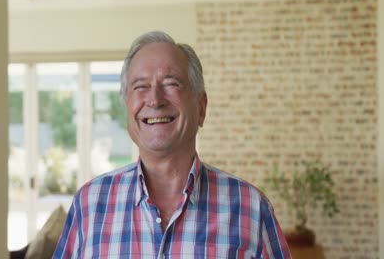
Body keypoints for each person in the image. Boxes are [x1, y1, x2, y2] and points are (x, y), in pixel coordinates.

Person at [53, 31, 291, 258]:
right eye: (140, 86)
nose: (155, 100)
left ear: (201, 107)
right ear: (126, 105)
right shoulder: (90, 204)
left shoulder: (250, 208)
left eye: (171, 83)